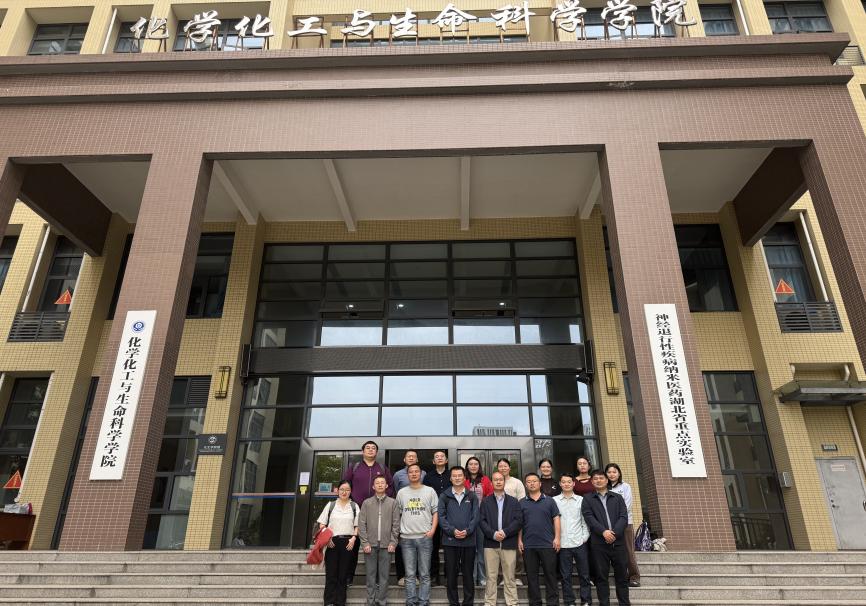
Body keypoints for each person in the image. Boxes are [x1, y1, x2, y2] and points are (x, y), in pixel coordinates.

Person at [343, 441, 393, 585]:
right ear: (363, 451)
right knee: (353, 544)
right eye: (368, 448)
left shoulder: (382, 468)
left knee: (377, 545)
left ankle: (377, 578)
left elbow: (390, 487)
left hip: (378, 512)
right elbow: (345, 485)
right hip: (357, 511)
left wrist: (384, 502)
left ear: (376, 452)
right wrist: (350, 502)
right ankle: (348, 577)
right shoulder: (355, 467)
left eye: (373, 448)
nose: (371, 450)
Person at [582, 470, 630, 606]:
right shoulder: (587, 498)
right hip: (599, 544)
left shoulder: (617, 497)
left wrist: (614, 533)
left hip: (618, 543)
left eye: (601, 478)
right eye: (595, 478)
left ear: (606, 480)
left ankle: (624, 603)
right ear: (592, 482)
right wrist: (603, 532)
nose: (598, 480)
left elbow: (623, 517)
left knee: (621, 577)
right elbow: (589, 517)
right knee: (601, 577)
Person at [397, 463, 439, 606]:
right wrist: (399, 533)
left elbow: (435, 512)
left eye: (416, 471)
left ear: (421, 474)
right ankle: (411, 601)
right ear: (407, 475)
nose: (414, 474)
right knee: (409, 574)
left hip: (424, 537)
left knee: (425, 574)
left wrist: (432, 530)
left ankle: (423, 601)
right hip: (406, 538)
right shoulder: (401, 493)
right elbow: (398, 514)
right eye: (411, 472)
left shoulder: (430, 491)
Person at [479, 471, 523, 606]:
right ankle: (489, 602)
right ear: (491, 483)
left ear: (504, 482)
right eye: (495, 480)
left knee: (509, 576)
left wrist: (505, 532)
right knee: (491, 576)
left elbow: (518, 521)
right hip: (490, 544)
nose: (498, 482)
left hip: (508, 543)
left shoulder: (514, 501)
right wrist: (493, 534)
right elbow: (482, 521)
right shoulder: (485, 501)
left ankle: (512, 603)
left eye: (501, 480)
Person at [439, 465, 480, 606]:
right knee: (451, 574)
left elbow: (476, 516)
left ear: (464, 478)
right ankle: (454, 602)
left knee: (468, 573)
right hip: (450, 541)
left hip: (468, 541)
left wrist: (468, 531)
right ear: (450, 478)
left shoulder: (472, 496)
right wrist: (452, 531)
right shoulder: (444, 496)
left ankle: (468, 602)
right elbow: (441, 517)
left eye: (459, 475)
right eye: (454, 476)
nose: (457, 478)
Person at [518, 472, 561, 606]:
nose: (532, 483)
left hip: (548, 544)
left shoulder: (550, 501)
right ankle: (535, 602)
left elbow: (556, 519)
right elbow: (519, 523)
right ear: (526, 485)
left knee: (550, 575)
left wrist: (557, 538)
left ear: (540, 483)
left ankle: (552, 603)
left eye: (534, 481)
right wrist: (519, 540)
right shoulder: (521, 502)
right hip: (528, 545)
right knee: (531, 577)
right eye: (529, 481)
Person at [318, 480, 360, 606]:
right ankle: (329, 601)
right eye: (342, 489)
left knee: (343, 574)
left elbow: (357, 526)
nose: (344, 492)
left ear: (350, 491)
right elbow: (322, 524)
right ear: (337, 490)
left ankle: (340, 602)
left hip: (348, 543)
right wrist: (327, 538)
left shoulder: (354, 506)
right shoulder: (331, 505)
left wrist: (354, 538)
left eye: (347, 490)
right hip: (332, 542)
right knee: (331, 574)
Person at [360, 476, 400, 606]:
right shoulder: (366, 503)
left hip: (386, 545)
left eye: (382, 482)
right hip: (370, 545)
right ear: (373, 486)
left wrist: (393, 542)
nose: (380, 485)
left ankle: (382, 601)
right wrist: (365, 543)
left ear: (387, 486)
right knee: (370, 576)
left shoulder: (393, 503)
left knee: (384, 576)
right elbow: (362, 524)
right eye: (377, 483)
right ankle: (370, 601)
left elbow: (396, 525)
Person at [554, 473, 592, 606]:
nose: (566, 484)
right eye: (564, 482)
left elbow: (585, 520)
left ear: (573, 483)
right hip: (563, 544)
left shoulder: (581, 500)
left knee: (584, 574)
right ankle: (569, 601)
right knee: (566, 576)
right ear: (560, 484)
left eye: (569, 482)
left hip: (579, 542)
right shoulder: (554, 501)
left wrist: (584, 537)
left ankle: (586, 601)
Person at [394, 450, 427, 587]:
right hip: (403, 514)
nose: (411, 458)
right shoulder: (398, 475)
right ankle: (402, 576)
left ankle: (417, 576)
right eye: (409, 456)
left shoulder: (424, 474)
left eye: (414, 456)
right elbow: (396, 493)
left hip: (419, 514)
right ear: (404, 459)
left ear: (417, 459)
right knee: (401, 546)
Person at [605, 463, 640, 588]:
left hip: (625, 524)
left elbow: (627, 505)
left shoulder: (625, 486)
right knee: (616, 552)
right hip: (609, 526)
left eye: (614, 472)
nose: (612, 474)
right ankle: (621, 577)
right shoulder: (605, 487)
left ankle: (634, 576)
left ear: (619, 473)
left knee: (628, 551)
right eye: (609, 472)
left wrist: (617, 520)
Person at [464, 456, 493, 588]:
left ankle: (482, 577)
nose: (473, 466)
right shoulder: (463, 480)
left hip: (481, 519)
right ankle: (471, 577)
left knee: (481, 550)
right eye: (471, 464)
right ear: (467, 466)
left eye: (476, 464)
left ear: (479, 466)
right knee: (470, 550)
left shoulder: (485, 480)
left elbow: (490, 497)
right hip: (467, 520)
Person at [496, 458, 525, 586]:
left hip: (514, 519)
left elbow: (522, 501)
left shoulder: (517, 482)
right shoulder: (495, 481)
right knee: (500, 549)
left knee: (516, 549)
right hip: (498, 519)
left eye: (505, 466)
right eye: (500, 466)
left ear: (509, 468)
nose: (503, 468)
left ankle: (517, 576)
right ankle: (502, 576)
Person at [423, 450, 450, 586]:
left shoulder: (452, 475)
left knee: (449, 546)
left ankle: (448, 576)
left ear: (446, 460)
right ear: (433, 461)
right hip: (432, 515)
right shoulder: (428, 477)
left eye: (442, 456)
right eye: (436, 457)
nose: (439, 458)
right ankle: (434, 576)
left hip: (449, 515)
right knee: (432, 547)